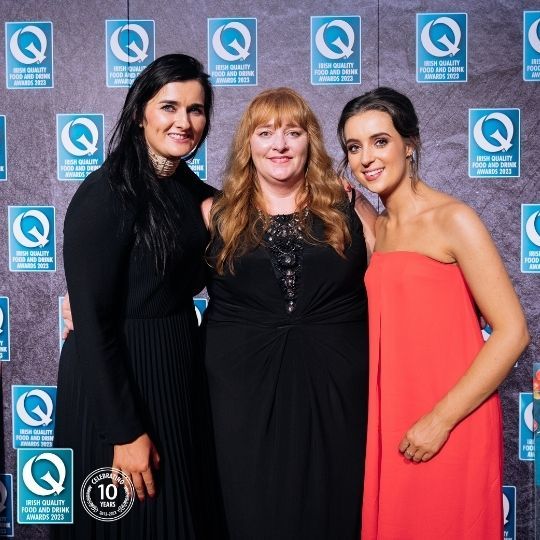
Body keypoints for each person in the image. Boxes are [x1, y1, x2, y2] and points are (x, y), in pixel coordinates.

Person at [337, 87, 530, 539]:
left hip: (450, 416)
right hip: (394, 414)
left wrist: (440, 420)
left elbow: (513, 331)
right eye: (354, 147)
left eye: (380, 141)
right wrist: (353, 201)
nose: (366, 157)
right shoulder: (381, 227)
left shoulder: (453, 219)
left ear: (410, 144)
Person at [53, 54, 217, 539]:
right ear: (140, 111)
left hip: (173, 372)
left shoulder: (194, 193)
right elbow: (93, 324)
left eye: (195, 109)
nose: (184, 121)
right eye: (169, 107)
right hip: (118, 384)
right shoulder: (106, 193)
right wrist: (123, 432)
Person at [200, 87, 376, 540]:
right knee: (251, 508)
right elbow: (159, 286)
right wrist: (86, 304)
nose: (279, 145)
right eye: (265, 133)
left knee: (334, 506)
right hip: (241, 396)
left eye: (292, 133)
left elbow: (398, 272)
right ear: (248, 143)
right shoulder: (215, 213)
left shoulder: (348, 205)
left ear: (309, 141)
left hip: (338, 390)